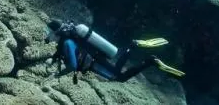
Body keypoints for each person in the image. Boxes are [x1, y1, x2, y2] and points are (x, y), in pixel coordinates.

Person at [45, 19, 185, 84]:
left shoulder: (67, 42)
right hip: (94, 60)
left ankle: (147, 58)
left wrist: (57, 75)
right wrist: (52, 59)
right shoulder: (65, 41)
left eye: (50, 33)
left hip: (94, 62)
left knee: (119, 77)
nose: (49, 36)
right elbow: (59, 53)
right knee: (118, 73)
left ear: (56, 32)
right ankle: (136, 49)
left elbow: (73, 66)